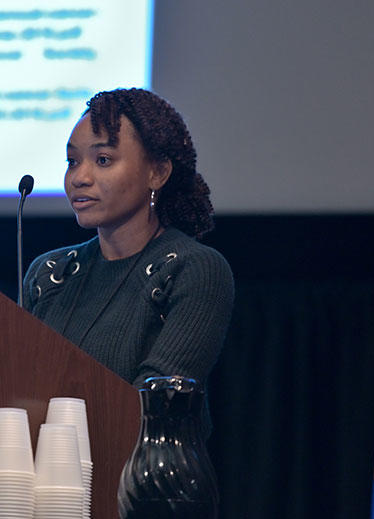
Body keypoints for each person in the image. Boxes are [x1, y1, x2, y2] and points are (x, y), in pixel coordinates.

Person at [22, 87, 234, 398]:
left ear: (157, 173)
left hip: (144, 448)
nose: (79, 177)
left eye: (103, 159)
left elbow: (156, 402)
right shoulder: (50, 273)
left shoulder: (193, 268)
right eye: (72, 161)